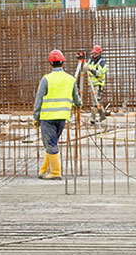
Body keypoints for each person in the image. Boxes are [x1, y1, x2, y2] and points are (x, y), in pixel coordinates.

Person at [32, 49, 81, 180]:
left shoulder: (46, 79)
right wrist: (79, 104)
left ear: (50, 64)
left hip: (48, 118)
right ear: (63, 63)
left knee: (50, 143)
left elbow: (39, 100)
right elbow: (76, 99)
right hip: (62, 117)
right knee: (52, 142)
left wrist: (36, 117)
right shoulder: (70, 79)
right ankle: (43, 170)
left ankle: (55, 172)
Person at [85, 44, 108, 123]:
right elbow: (86, 66)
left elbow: (100, 73)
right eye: (93, 53)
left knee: (95, 102)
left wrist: (91, 70)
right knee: (96, 102)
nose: (94, 55)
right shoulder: (91, 60)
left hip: (98, 84)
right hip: (91, 84)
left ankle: (92, 119)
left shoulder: (102, 62)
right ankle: (102, 116)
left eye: (96, 53)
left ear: (99, 53)